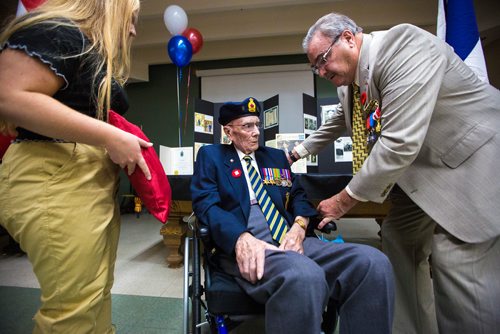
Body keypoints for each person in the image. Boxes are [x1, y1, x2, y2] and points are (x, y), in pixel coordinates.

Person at [288, 12, 500, 334]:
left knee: (456, 261)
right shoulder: (350, 86)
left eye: (323, 59)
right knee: (398, 238)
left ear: (347, 37)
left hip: (471, 162)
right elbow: (335, 124)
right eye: (314, 66)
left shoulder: (403, 46)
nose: (321, 71)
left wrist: (342, 202)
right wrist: (296, 152)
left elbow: (398, 143)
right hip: (421, 173)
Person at [0, 0, 152, 332]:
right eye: (132, 18)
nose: (133, 29)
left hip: (81, 181)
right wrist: (111, 137)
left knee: (95, 296)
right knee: (72, 312)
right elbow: (10, 95)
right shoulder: (58, 30)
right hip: (55, 176)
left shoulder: (86, 47)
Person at [191, 97, 395, 334]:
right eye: (247, 126)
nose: (256, 132)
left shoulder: (275, 157)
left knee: (372, 264)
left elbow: (298, 195)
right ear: (228, 131)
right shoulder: (212, 156)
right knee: (303, 275)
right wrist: (239, 238)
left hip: (293, 239)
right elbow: (207, 205)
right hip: (248, 243)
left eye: (258, 124)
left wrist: (299, 225)